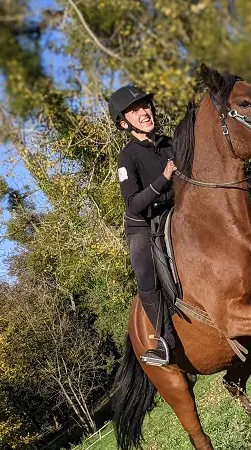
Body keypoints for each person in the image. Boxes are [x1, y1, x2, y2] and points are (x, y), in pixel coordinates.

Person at [109, 85, 178, 367]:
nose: (144, 112)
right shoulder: (127, 157)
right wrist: (164, 177)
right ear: (124, 122)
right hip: (143, 225)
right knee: (143, 267)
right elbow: (134, 204)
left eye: (145, 105)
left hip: (177, 210)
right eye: (135, 110)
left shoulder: (169, 143)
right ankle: (165, 341)